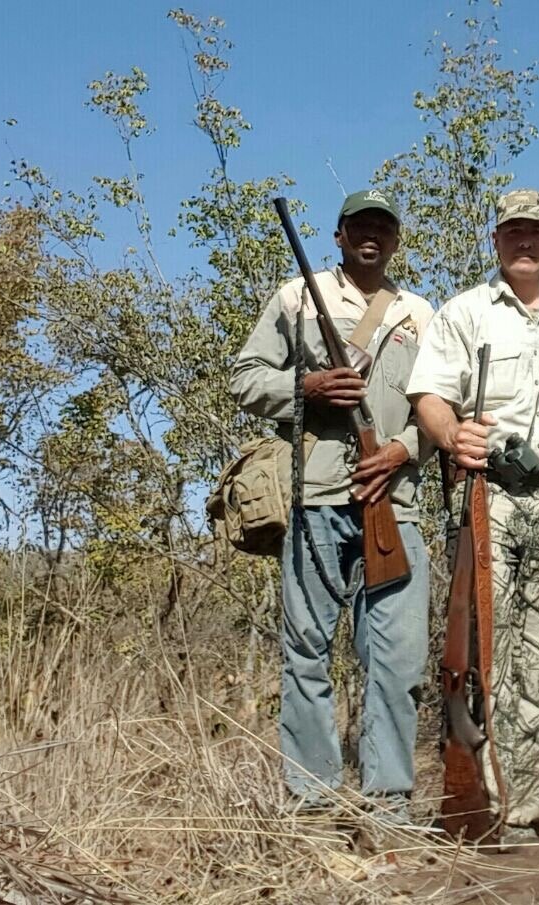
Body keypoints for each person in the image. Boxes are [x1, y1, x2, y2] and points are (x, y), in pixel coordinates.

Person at [408, 188, 539, 844]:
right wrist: (451, 433)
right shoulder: (465, 311)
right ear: (496, 240)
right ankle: (475, 795)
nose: (524, 241)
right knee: (480, 651)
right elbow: (430, 395)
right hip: (486, 496)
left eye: (536, 231)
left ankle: (523, 809)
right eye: (512, 231)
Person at [230, 188, 434, 814]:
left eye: (382, 226)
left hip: (396, 505)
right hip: (315, 498)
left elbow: (443, 409)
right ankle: (312, 800)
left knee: (396, 664)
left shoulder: (421, 314)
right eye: (358, 226)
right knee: (306, 655)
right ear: (339, 234)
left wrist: (399, 450)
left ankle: (388, 805)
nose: (371, 235)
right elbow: (246, 379)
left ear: (396, 239)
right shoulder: (296, 296)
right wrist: (307, 386)